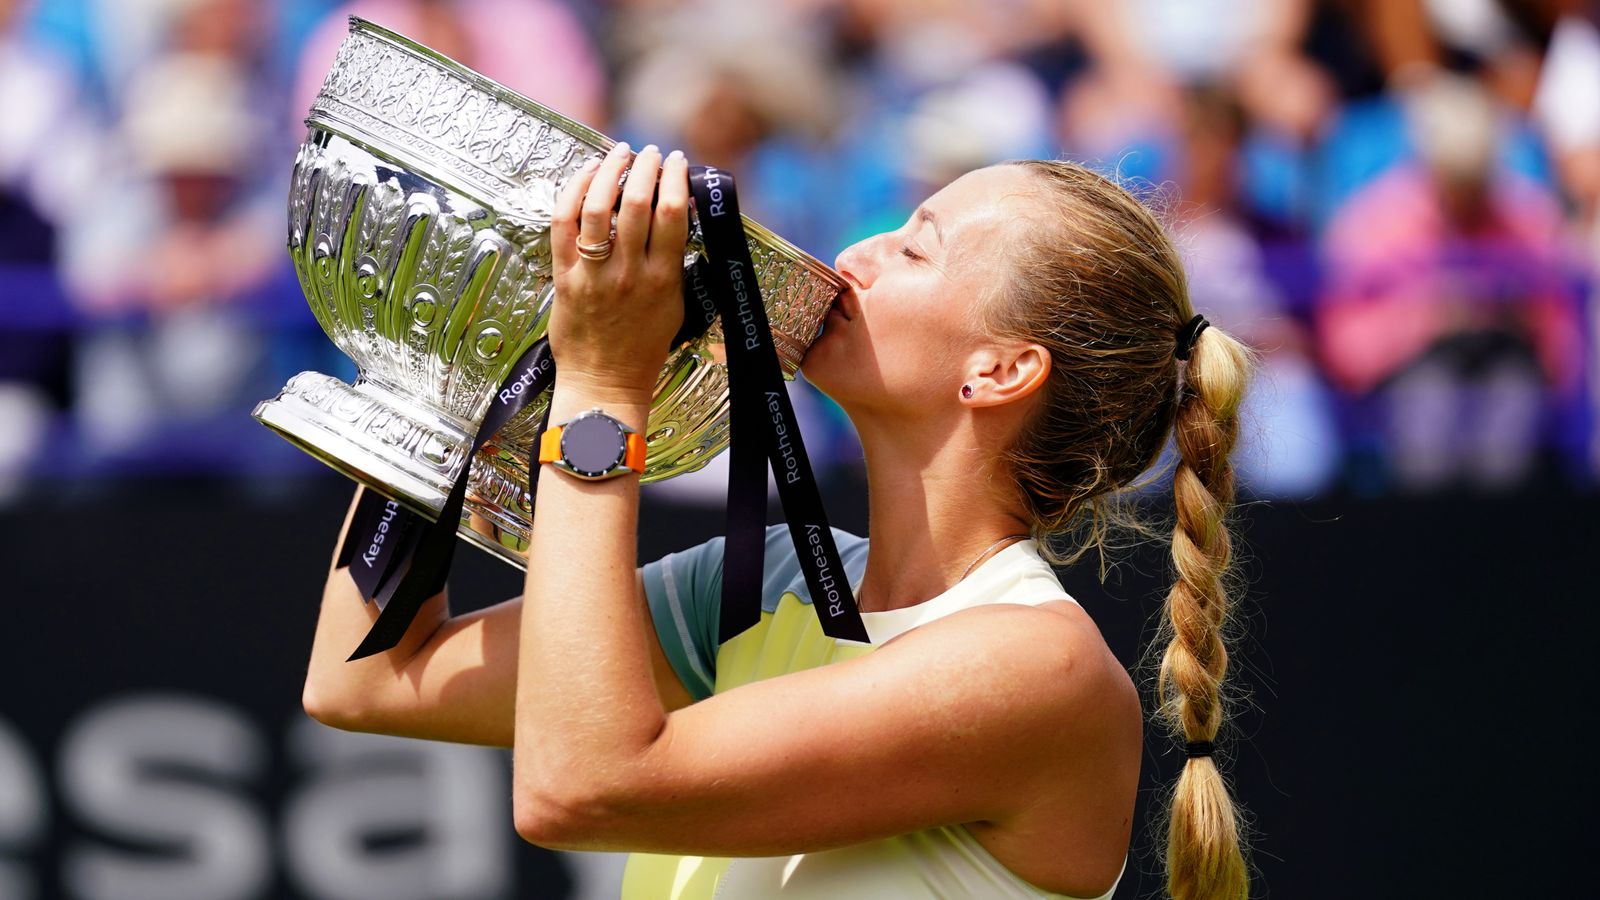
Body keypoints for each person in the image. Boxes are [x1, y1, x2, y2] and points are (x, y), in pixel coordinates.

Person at [301, 144, 1256, 900]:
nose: (856, 255)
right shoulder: (765, 586)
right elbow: (369, 680)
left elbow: (579, 785)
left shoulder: (1035, 670)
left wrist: (600, 385)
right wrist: (460, 364)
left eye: (915, 246)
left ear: (1000, 371)